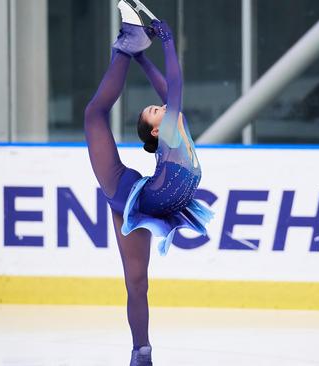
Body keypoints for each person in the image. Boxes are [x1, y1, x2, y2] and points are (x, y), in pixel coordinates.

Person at [83, 1, 213, 364]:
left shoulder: (175, 130)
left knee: (138, 283)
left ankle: (128, 47)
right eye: (155, 111)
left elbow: (169, 92)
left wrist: (143, 57)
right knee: (93, 114)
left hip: (145, 196)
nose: (160, 106)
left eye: (156, 107)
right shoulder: (171, 134)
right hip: (137, 196)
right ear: (157, 128)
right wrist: (167, 43)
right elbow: (175, 85)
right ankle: (141, 351)